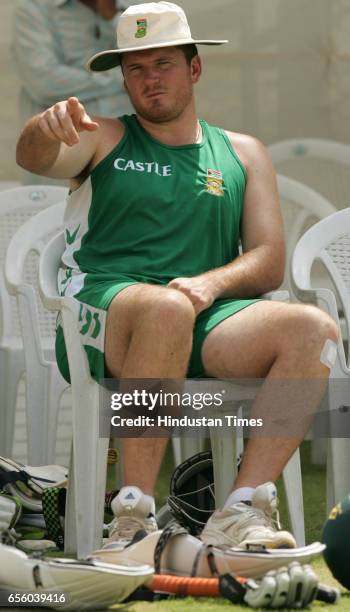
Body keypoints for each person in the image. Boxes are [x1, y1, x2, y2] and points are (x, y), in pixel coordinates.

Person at [16, 1, 338, 551]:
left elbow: (267, 259)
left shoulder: (242, 152)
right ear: (123, 79)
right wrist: (41, 128)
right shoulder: (103, 135)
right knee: (166, 309)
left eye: (162, 63)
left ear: (195, 68)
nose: (149, 80)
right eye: (136, 69)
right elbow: (34, 157)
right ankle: (132, 520)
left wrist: (211, 284)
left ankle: (240, 512)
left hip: (204, 317)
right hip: (106, 315)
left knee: (314, 329)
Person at [11, 0, 143, 184]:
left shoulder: (134, 9)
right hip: (60, 169)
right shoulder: (34, 9)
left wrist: (113, 17)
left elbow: (147, 61)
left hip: (128, 162)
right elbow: (44, 82)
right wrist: (121, 79)